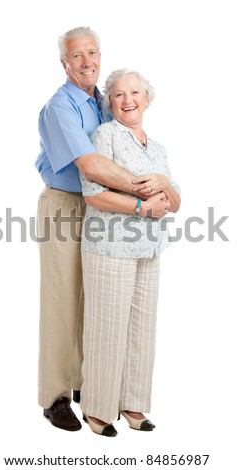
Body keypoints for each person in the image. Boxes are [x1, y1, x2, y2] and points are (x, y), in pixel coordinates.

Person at [35, 27, 164, 432]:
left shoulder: (103, 102)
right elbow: (91, 167)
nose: (87, 61)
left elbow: (122, 147)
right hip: (66, 205)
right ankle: (55, 396)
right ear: (65, 63)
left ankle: (86, 385)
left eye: (92, 52)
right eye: (77, 56)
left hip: (108, 212)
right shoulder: (61, 107)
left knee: (96, 300)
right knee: (63, 301)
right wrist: (147, 191)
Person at [80, 69, 181, 436]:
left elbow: (176, 202)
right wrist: (141, 208)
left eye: (135, 93)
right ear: (110, 102)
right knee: (107, 328)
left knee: (142, 328)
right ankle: (98, 410)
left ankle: (134, 404)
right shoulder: (104, 135)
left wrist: (167, 185)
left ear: (147, 99)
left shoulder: (157, 149)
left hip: (150, 247)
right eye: (119, 95)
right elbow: (93, 194)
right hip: (110, 245)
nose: (128, 101)